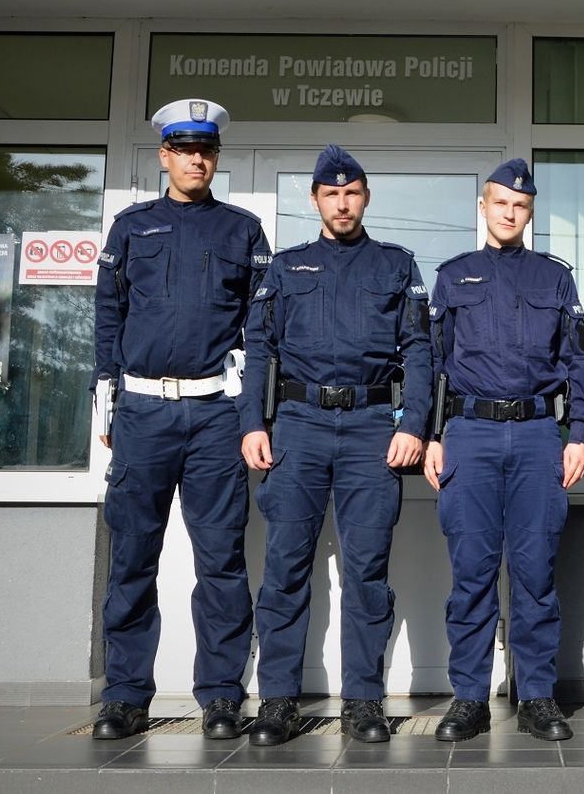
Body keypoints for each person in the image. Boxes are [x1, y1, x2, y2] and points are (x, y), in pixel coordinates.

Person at [90, 98, 272, 740]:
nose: (198, 158)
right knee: (132, 556)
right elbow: (107, 314)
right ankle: (124, 696)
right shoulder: (132, 227)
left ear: (216, 156)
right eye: (185, 148)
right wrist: (105, 395)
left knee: (221, 560)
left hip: (215, 414)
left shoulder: (243, 231)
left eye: (207, 149)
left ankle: (221, 695)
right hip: (142, 412)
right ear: (164, 154)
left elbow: (260, 330)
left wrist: (253, 412)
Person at [240, 145, 432, 746]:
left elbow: (422, 352)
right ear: (316, 200)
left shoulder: (395, 266)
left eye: (352, 193)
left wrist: (414, 424)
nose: (342, 202)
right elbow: (260, 349)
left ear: (366, 196)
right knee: (285, 568)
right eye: (331, 194)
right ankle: (277, 701)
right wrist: (253, 421)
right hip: (298, 425)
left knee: (367, 571)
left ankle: (364, 701)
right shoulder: (286, 267)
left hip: (373, 428)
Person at [423, 158, 584, 742]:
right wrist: (430, 436)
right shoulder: (453, 276)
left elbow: (579, 363)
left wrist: (581, 436)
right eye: (501, 203)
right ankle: (468, 697)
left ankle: (538, 696)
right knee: (471, 572)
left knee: (535, 572)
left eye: (520, 206)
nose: (510, 212)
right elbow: (432, 364)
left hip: (540, 435)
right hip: (469, 435)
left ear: (530, 211)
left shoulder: (555, 278)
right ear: (484, 207)